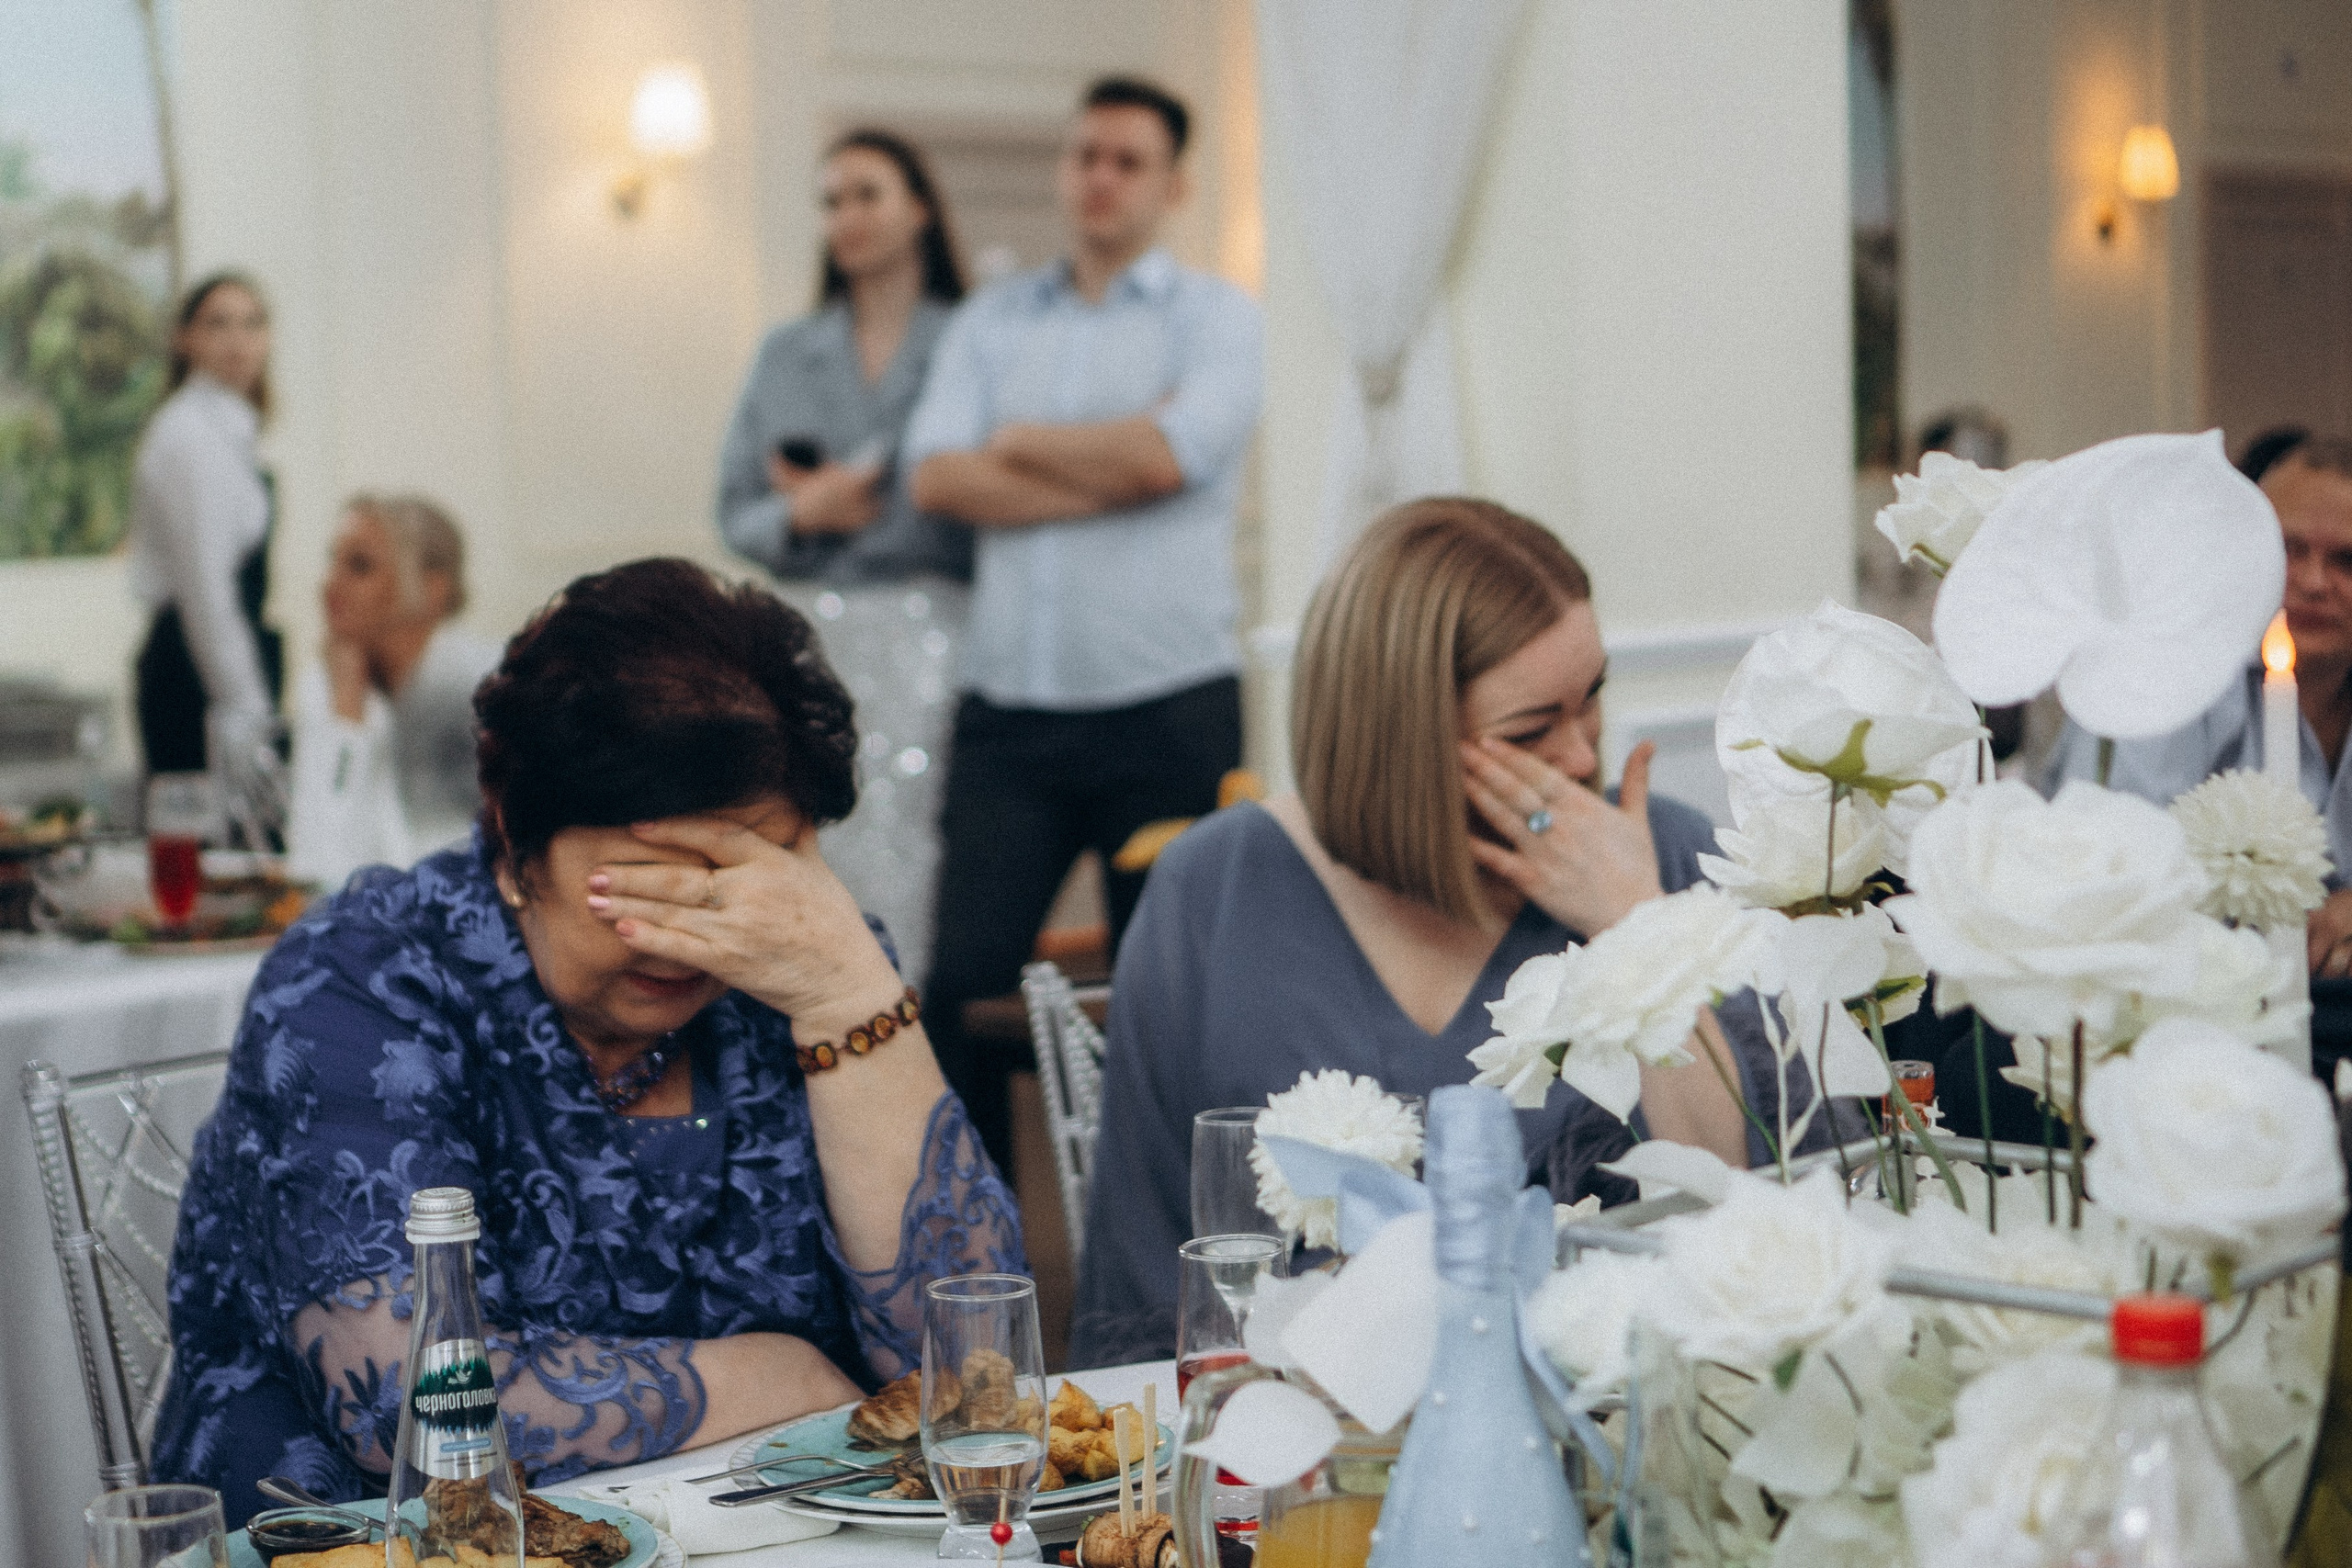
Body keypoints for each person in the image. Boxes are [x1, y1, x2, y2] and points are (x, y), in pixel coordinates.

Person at [151, 558, 1023, 1528]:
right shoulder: (358, 984)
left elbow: (976, 1383)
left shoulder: (798, 962)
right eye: (649, 884)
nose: (692, 932)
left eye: (740, 873)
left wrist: (850, 998)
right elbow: (407, 1407)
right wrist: (774, 1378)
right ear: (510, 833)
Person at [1068, 499, 1784, 1367]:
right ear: (1398, 743)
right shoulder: (1208, 892)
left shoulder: (1662, 858)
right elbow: (1145, 1284)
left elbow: (1741, 1224)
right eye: (1530, 730)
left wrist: (1635, 925)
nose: (1582, 758)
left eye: (1590, 698)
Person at [903, 74, 1264, 1168]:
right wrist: (1115, 462)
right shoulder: (991, 319)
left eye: (1127, 161)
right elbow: (935, 479)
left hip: (1168, 704)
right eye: (1085, 156)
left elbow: (1174, 455)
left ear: (1172, 182)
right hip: (1011, 713)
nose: (1099, 178)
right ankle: (970, 1256)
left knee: (1172, 1000)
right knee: (960, 985)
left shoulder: (1217, 317)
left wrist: (1015, 440)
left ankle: (1171, 1254)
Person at [717, 129, 972, 987]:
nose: (848, 216)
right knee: (824, 835)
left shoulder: (967, 339)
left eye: (868, 194)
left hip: (935, 626)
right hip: (816, 632)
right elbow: (736, 510)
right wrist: (806, 507)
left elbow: (973, 497)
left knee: (926, 849)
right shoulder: (788, 351)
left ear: (919, 209)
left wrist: (855, 505)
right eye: (832, 200)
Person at [2041, 436, 2352, 975]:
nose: (2311, 582)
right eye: (2286, 548)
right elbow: (2101, 878)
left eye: (2346, 560)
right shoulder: (2160, 671)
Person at [129, 272, 286, 837]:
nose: (237, 339)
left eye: (253, 323)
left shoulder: (230, 430)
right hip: (193, 678)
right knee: (206, 866)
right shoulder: (188, 435)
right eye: (218, 323)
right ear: (185, 338)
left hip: (209, 667)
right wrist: (246, 709)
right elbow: (206, 591)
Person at [285, 493, 500, 887]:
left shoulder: (488, 687)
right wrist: (347, 717)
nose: (330, 582)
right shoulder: (325, 685)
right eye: (332, 560)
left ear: (432, 590)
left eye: (360, 566)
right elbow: (313, 862)